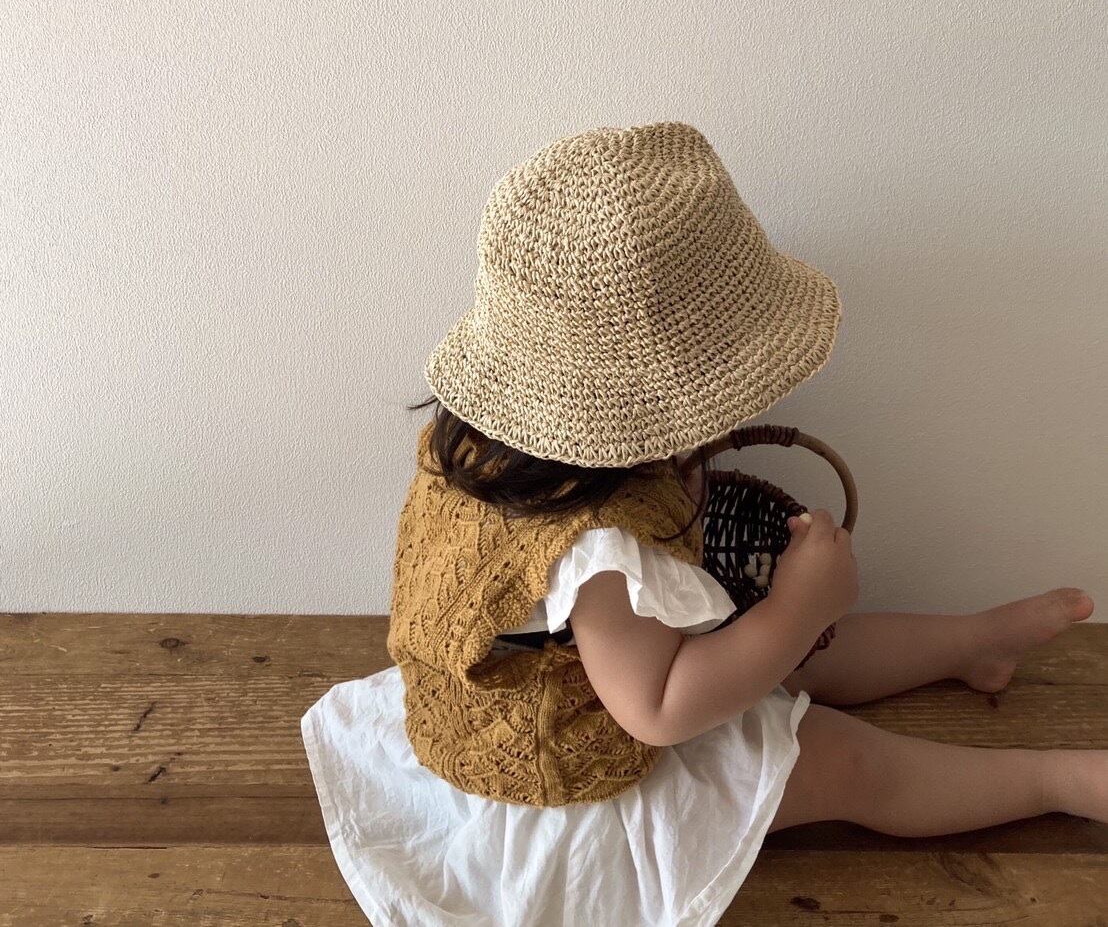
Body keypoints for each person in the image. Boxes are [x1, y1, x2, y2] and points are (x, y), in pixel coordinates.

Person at [301, 120, 1101, 926]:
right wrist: (801, 607)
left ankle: (973, 644)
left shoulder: (479, 446)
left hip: (545, 694)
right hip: (572, 786)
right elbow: (660, 710)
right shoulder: (598, 547)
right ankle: (1056, 781)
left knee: (793, 652)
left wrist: (787, 621)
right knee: (842, 759)